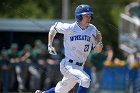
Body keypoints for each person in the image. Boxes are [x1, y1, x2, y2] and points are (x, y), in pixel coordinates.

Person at [35, 4, 103, 93]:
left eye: (90, 16)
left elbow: (97, 50)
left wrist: (99, 44)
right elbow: (53, 28)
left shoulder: (92, 29)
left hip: (80, 66)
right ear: (79, 17)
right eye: (86, 16)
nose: (89, 18)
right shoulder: (70, 27)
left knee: (61, 90)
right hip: (68, 65)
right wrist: (49, 44)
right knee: (85, 79)